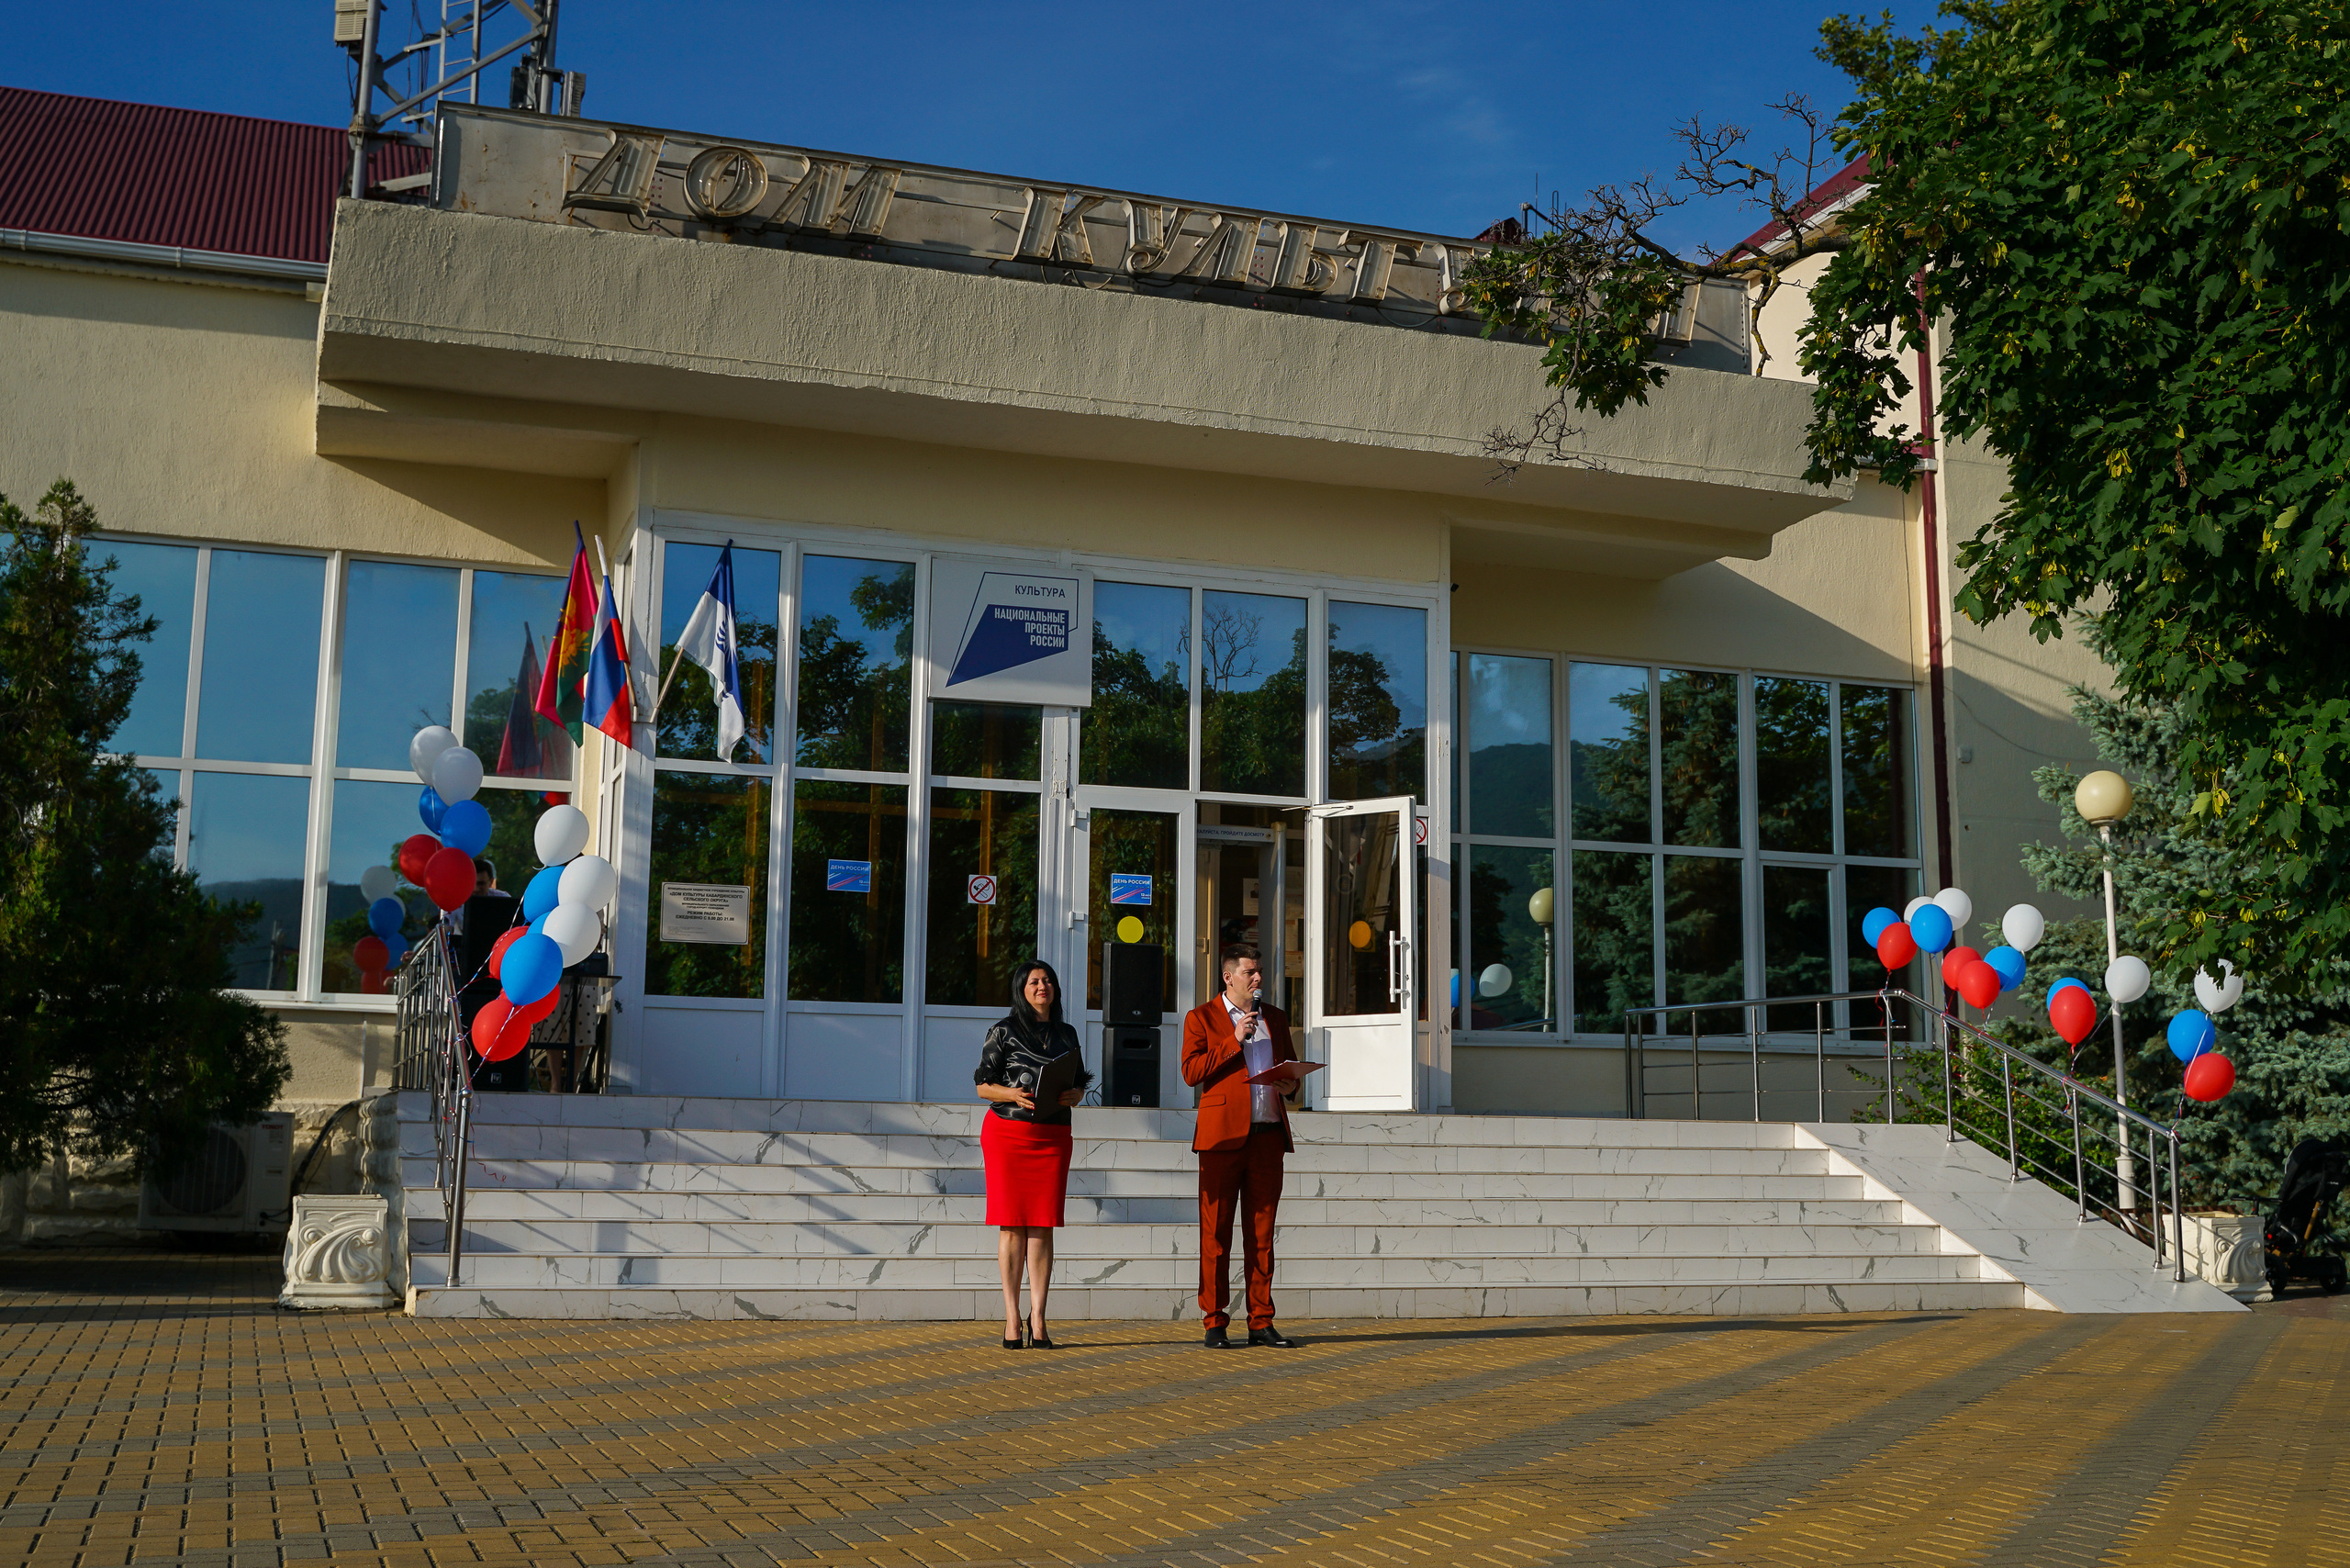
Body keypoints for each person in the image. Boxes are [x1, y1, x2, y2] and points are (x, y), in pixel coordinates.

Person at [1181, 944, 1314, 1350]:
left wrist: (1292, 1083)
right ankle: (1215, 1322)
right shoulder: (1201, 1017)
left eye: (1260, 972)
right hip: (1222, 1139)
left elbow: (1289, 1069)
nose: (1258, 979)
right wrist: (1233, 1039)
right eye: (1250, 973)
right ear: (1229, 977)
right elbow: (1190, 1072)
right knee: (1216, 1234)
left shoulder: (1274, 1016)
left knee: (1261, 1235)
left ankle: (1261, 1321)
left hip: (1267, 1136)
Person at [974, 958, 1090, 1350]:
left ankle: (1038, 1318)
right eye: (1035, 982)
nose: (1043, 987)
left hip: (1052, 1138)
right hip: (1008, 1135)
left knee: (1042, 1226)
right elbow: (982, 1086)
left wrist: (1076, 1094)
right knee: (1011, 1225)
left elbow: (1078, 1084)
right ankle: (1011, 1318)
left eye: (1048, 981)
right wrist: (1011, 1094)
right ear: (1022, 989)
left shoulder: (1067, 1033)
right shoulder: (1003, 1031)